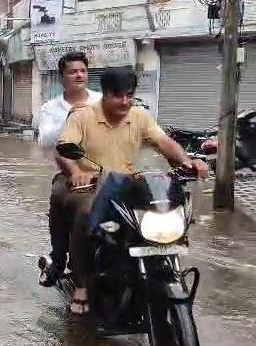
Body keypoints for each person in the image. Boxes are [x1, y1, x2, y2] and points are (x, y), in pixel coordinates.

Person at [54, 67, 207, 315]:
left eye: (129, 95)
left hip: (125, 183)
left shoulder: (139, 117)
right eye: (117, 96)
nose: (124, 101)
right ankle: (81, 284)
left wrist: (186, 162)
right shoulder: (81, 116)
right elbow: (63, 150)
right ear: (104, 94)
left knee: (160, 208)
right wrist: (76, 172)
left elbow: (164, 143)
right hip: (90, 184)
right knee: (85, 213)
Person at [36, 52, 102, 288]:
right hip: (70, 173)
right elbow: (45, 142)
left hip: (105, 171)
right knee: (58, 195)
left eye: (83, 71)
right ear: (62, 77)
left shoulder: (102, 100)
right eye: (73, 71)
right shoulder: (50, 108)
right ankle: (59, 258)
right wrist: (72, 116)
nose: (79, 75)